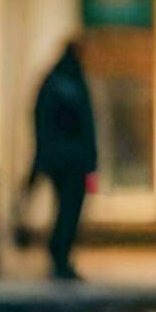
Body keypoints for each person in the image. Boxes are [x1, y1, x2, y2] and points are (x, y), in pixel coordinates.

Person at [31, 40, 98, 279]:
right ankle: (60, 254)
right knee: (68, 211)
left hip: (63, 160)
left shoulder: (57, 81)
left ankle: (60, 255)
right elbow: (83, 128)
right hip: (71, 161)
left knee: (65, 210)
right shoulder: (68, 84)